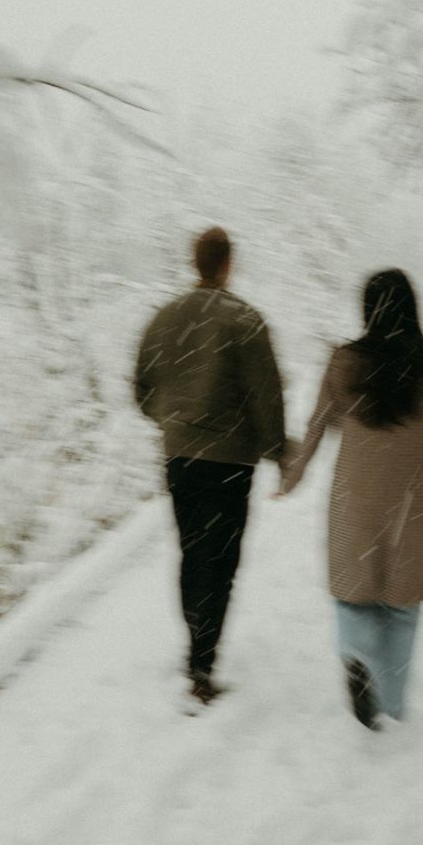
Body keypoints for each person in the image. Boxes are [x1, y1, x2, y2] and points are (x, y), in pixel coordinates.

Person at [280, 269, 423, 730]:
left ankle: (356, 655)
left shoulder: (344, 360)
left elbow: (318, 423)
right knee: (403, 605)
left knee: (354, 593)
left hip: (356, 491)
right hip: (413, 493)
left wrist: (294, 473)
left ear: (367, 310)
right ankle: (392, 703)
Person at [134, 227, 286, 706]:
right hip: (230, 461)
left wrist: (171, 421)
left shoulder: (163, 318)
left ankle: (195, 643)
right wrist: (277, 450)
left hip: (179, 457)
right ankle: (203, 662)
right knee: (222, 562)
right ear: (227, 265)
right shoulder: (245, 320)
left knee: (192, 551)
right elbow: (267, 394)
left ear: (194, 262)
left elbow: (141, 388)